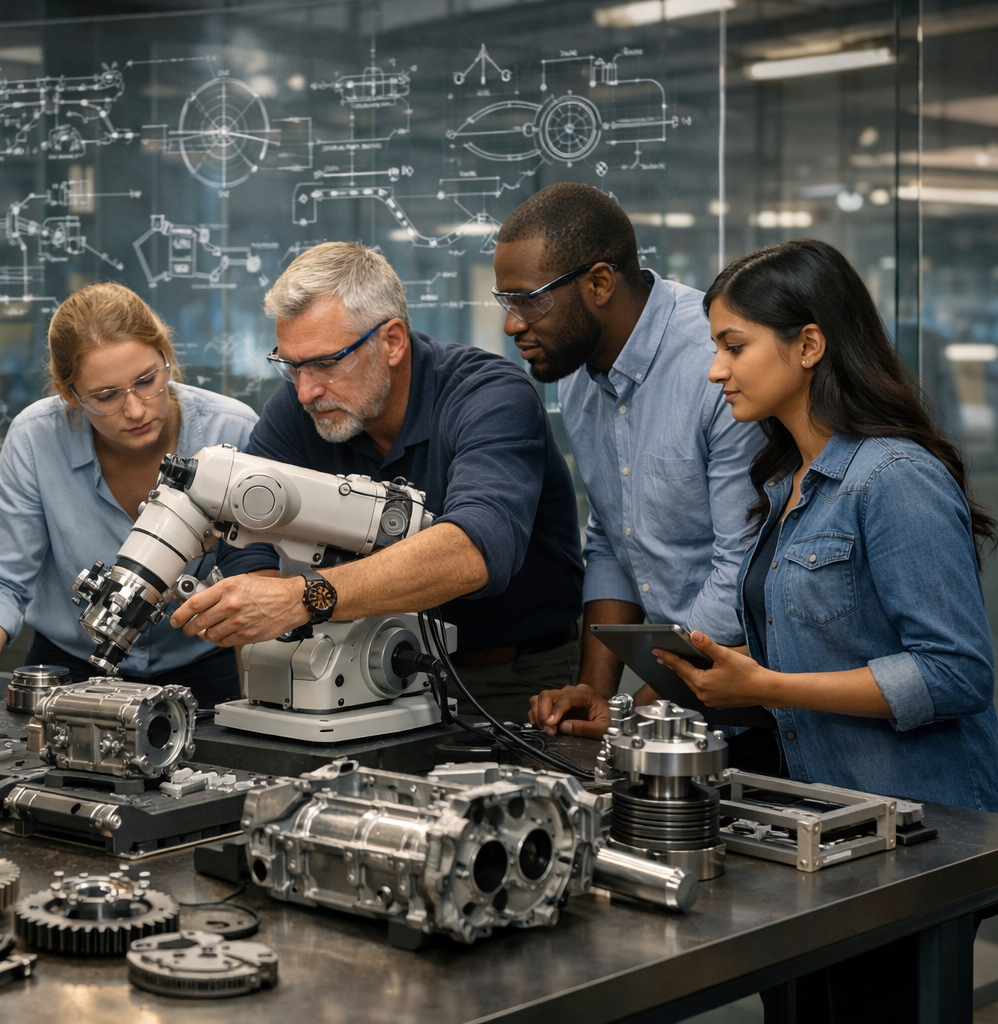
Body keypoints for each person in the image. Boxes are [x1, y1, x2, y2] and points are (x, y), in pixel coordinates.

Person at [649, 239, 998, 812]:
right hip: (834, 814)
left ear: (809, 345)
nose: (716, 371)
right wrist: (738, 674)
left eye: (735, 347)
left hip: (928, 822)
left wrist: (769, 686)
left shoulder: (894, 476)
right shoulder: (785, 482)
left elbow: (956, 673)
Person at [169, 242, 585, 719]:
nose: (305, 391)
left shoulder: (489, 397)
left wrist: (301, 598)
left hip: (510, 678)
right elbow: (246, 530)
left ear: (392, 341)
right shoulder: (303, 408)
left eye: (326, 363)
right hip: (360, 670)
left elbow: (474, 552)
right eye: (291, 365)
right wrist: (263, 619)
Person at [491, 183, 775, 770]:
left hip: (757, 701)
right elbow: (613, 540)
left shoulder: (715, 368)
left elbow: (742, 572)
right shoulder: (577, 373)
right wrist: (595, 692)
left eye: (529, 301)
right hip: (672, 703)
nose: (511, 324)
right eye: (504, 301)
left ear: (599, 284)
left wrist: (630, 712)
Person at [0, 283, 258, 708]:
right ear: (68, 394)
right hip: (70, 668)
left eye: (147, 381)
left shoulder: (233, 431)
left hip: (202, 668)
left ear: (166, 357)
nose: (135, 409)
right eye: (106, 396)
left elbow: (261, 576)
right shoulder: (36, 439)